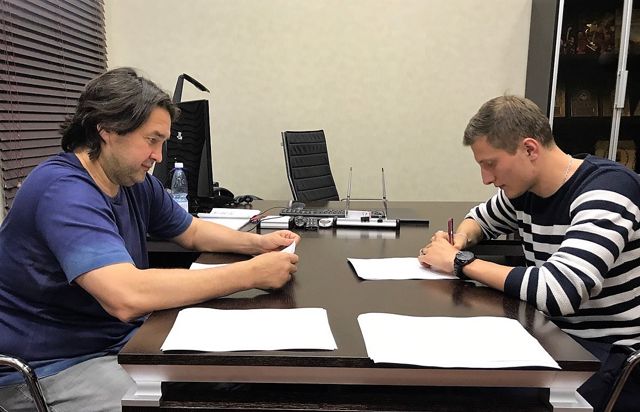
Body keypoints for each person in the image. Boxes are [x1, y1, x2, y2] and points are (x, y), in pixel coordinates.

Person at [0, 67, 300, 412]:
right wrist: (250, 274)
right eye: (151, 140)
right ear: (106, 130)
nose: (158, 155)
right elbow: (126, 297)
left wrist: (258, 245)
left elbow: (191, 231)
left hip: (118, 341)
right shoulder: (63, 191)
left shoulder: (132, 181)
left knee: (240, 378)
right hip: (50, 367)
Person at [418, 95, 640, 412]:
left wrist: (459, 262)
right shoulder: (527, 191)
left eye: (490, 163)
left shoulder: (608, 191)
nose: (486, 178)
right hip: (556, 338)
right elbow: (480, 219)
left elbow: (560, 291)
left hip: (609, 357)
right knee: (446, 368)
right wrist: (460, 239)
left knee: (466, 392)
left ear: (530, 149)